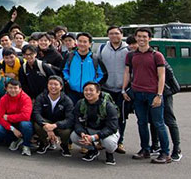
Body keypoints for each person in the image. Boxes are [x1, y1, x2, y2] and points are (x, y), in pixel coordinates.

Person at [123, 28, 172, 164]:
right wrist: (123, 90)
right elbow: (127, 73)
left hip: (153, 94)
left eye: (144, 37)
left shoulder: (157, 55)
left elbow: (162, 76)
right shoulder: (131, 55)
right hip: (137, 94)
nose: (141, 39)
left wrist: (159, 95)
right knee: (141, 123)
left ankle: (165, 153)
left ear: (150, 38)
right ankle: (145, 149)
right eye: (139, 36)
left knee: (158, 123)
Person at [97, 26, 130, 154]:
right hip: (106, 88)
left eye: (116, 33)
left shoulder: (128, 50)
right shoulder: (102, 48)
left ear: (122, 35)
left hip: (122, 90)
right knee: (102, 115)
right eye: (111, 33)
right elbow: (98, 66)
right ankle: (101, 140)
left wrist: (127, 88)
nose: (114, 36)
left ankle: (120, 141)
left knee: (121, 117)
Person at [71, 82, 119, 165]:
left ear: (98, 92)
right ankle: (92, 150)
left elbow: (112, 127)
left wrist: (94, 137)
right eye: (86, 90)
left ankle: (109, 153)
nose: (88, 92)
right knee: (74, 136)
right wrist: (82, 134)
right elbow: (77, 122)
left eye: (91, 90)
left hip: (107, 131)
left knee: (109, 143)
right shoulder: (80, 103)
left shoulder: (108, 106)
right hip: (89, 130)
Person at [32, 76, 75, 156]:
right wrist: (46, 126)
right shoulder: (41, 97)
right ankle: (45, 143)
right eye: (50, 84)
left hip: (59, 124)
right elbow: (36, 113)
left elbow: (70, 119)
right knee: (37, 125)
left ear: (61, 87)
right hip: (46, 122)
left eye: (56, 84)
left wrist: (55, 125)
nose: (53, 87)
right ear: (47, 85)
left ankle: (64, 145)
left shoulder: (67, 100)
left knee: (67, 131)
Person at [63, 33, 106, 106]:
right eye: (80, 41)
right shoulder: (70, 56)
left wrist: (94, 84)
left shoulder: (95, 58)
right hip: (72, 92)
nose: (82, 44)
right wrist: (68, 80)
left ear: (90, 44)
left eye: (85, 42)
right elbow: (64, 70)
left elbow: (103, 74)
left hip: (89, 94)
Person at [0, 79, 33, 156]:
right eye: (10, 88)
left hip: (22, 122)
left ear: (20, 89)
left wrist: (8, 117)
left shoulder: (26, 98)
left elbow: (26, 116)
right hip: (11, 125)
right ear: (6, 89)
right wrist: (13, 129)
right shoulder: (3, 99)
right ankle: (15, 140)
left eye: (15, 88)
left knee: (25, 125)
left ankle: (26, 145)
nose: (13, 90)